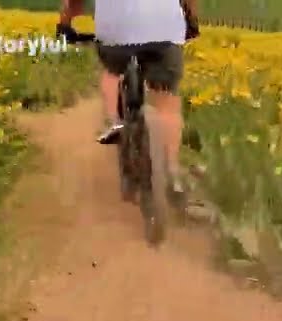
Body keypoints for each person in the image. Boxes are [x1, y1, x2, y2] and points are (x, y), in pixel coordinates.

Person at [57, 0, 199, 199]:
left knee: (112, 72)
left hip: (116, 30)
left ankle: (115, 121)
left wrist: (65, 24)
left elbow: (75, 2)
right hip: (164, 29)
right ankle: (172, 170)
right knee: (167, 101)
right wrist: (190, 21)